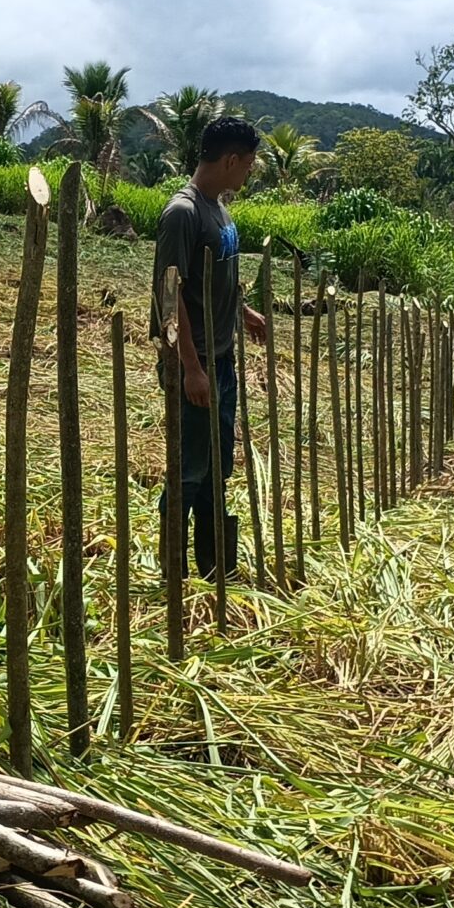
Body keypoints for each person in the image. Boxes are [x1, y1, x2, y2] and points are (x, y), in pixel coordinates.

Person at [150, 115, 268, 579]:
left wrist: (243, 311)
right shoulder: (184, 212)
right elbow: (169, 292)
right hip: (194, 363)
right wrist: (190, 369)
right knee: (189, 469)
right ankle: (174, 572)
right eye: (248, 165)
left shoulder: (219, 207)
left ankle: (214, 567)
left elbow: (217, 275)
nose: (249, 174)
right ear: (231, 159)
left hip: (221, 361)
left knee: (216, 469)